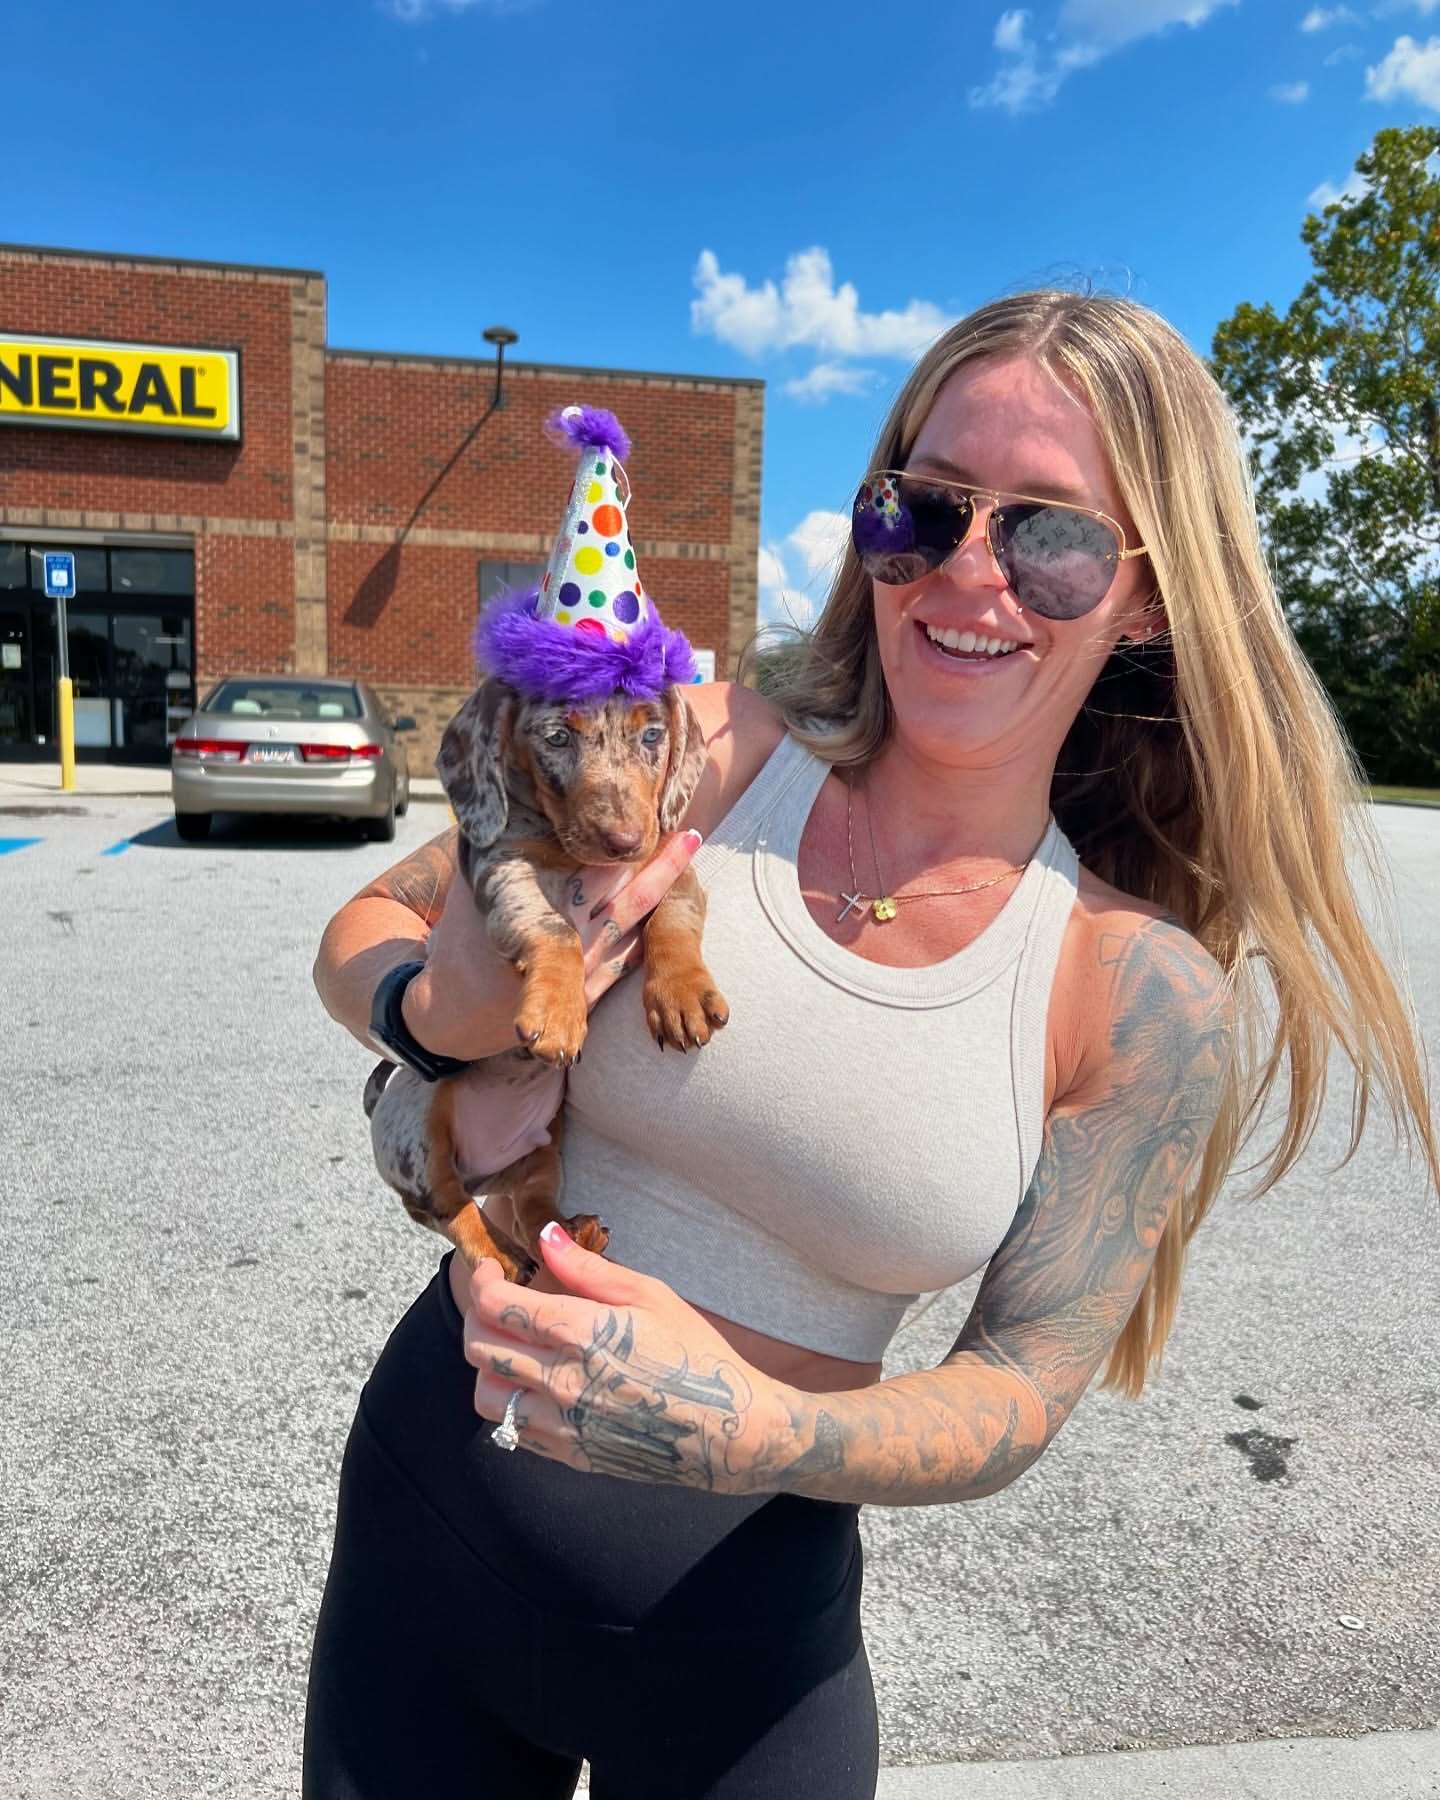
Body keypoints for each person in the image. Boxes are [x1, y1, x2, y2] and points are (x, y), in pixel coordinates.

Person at [303, 291, 1437, 1800]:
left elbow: (1020, 1391)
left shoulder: (1137, 991)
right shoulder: (700, 753)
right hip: (422, 1551)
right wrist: (435, 1026)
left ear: (1152, 596)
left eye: (1051, 535)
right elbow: (362, 931)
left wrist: (746, 1429)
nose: (969, 571)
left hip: (735, 1654)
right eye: (924, 508)